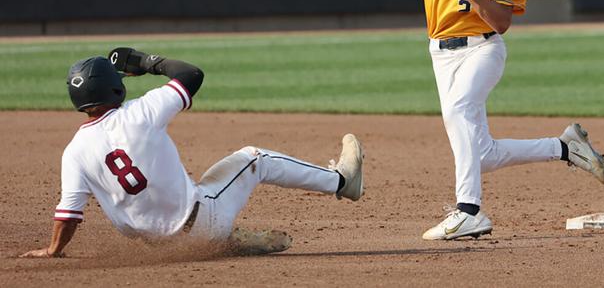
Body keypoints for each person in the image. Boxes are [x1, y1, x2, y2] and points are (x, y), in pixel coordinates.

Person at [330, 0, 604, 240]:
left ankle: (469, 210)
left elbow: (502, 22)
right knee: (481, 154)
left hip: (483, 51)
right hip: (440, 55)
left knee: (461, 110)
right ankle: (564, 148)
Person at [20, 48, 363, 258]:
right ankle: (341, 180)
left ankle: (224, 242)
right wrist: (145, 61)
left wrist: (53, 250)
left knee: (197, 186)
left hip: (159, 249)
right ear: (115, 85)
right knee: (254, 158)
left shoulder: (74, 151)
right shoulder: (141, 111)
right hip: (202, 222)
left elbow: (68, 216)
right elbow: (191, 74)